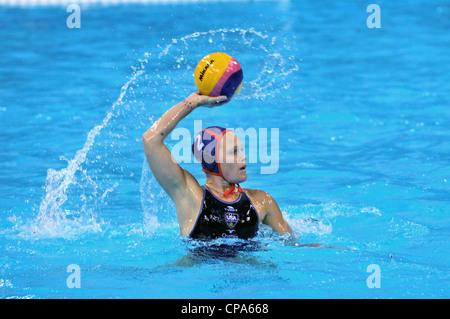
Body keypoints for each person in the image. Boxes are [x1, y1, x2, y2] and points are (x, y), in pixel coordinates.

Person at [142, 92, 293, 239]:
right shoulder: (190, 197)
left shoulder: (262, 201)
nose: (244, 156)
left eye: (241, 150)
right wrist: (192, 103)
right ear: (212, 160)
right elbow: (151, 140)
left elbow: (292, 244)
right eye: (234, 151)